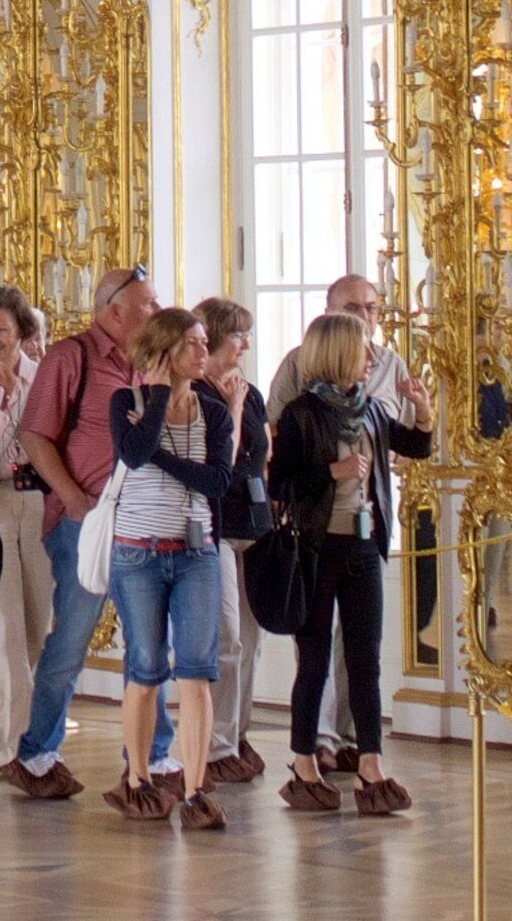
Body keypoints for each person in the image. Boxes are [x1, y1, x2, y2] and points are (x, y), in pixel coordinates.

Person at [272, 310, 435, 815]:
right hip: (319, 548)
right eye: (364, 349)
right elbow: (280, 485)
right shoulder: (302, 414)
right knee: (315, 661)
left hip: (364, 549)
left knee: (366, 661)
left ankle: (371, 763)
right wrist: (331, 471)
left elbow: (419, 447)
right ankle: (303, 761)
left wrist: (424, 410)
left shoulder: (372, 412)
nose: (372, 358)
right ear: (340, 353)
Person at [6, 264, 157, 797]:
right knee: (70, 640)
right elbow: (34, 434)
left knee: (147, 642)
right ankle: (37, 752)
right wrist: (73, 500)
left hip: (139, 524)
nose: (156, 313)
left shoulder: (147, 367)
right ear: (114, 310)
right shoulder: (72, 357)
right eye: (148, 306)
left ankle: (151, 760)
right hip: (83, 524)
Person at [102, 306, 241, 824]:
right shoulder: (129, 401)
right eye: (192, 344)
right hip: (137, 552)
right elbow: (133, 454)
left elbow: (216, 482)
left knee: (196, 673)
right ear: (163, 351)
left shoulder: (216, 412)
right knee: (145, 668)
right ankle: (138, 778)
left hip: (197, 553)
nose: (203, 352)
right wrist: (159, 398)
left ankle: (194, 786)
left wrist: (162, 457)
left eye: (204, 342)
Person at [193, 297, 274, 793]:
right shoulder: (198, 394)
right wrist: (233, 410)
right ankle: (217, 743)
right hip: (214, 522)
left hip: (254, 519)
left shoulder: (253, 392)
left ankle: (239, 734)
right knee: (226, 636)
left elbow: (261, 452)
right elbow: (214, 454)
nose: (245, 344)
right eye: (238, 335)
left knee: (254, 636)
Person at [0, 286, 49, 765]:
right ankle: (9, 749)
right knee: (1, 632)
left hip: (39, 502)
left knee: (36, 627)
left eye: (3, 328)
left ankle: (6, 722)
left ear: (23, 332)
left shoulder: (44, 380)